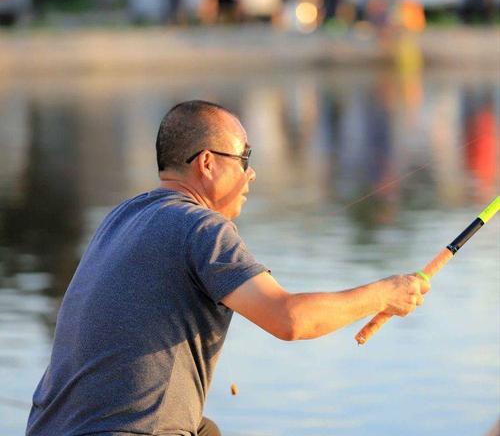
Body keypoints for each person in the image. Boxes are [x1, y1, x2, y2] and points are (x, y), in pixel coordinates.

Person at [26, 100, 430, 436]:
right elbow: (289, 319)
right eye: (244, 158)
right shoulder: (200, 226)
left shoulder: (120, 218)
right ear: (206, 163)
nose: (250, 172)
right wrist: (385, 293)